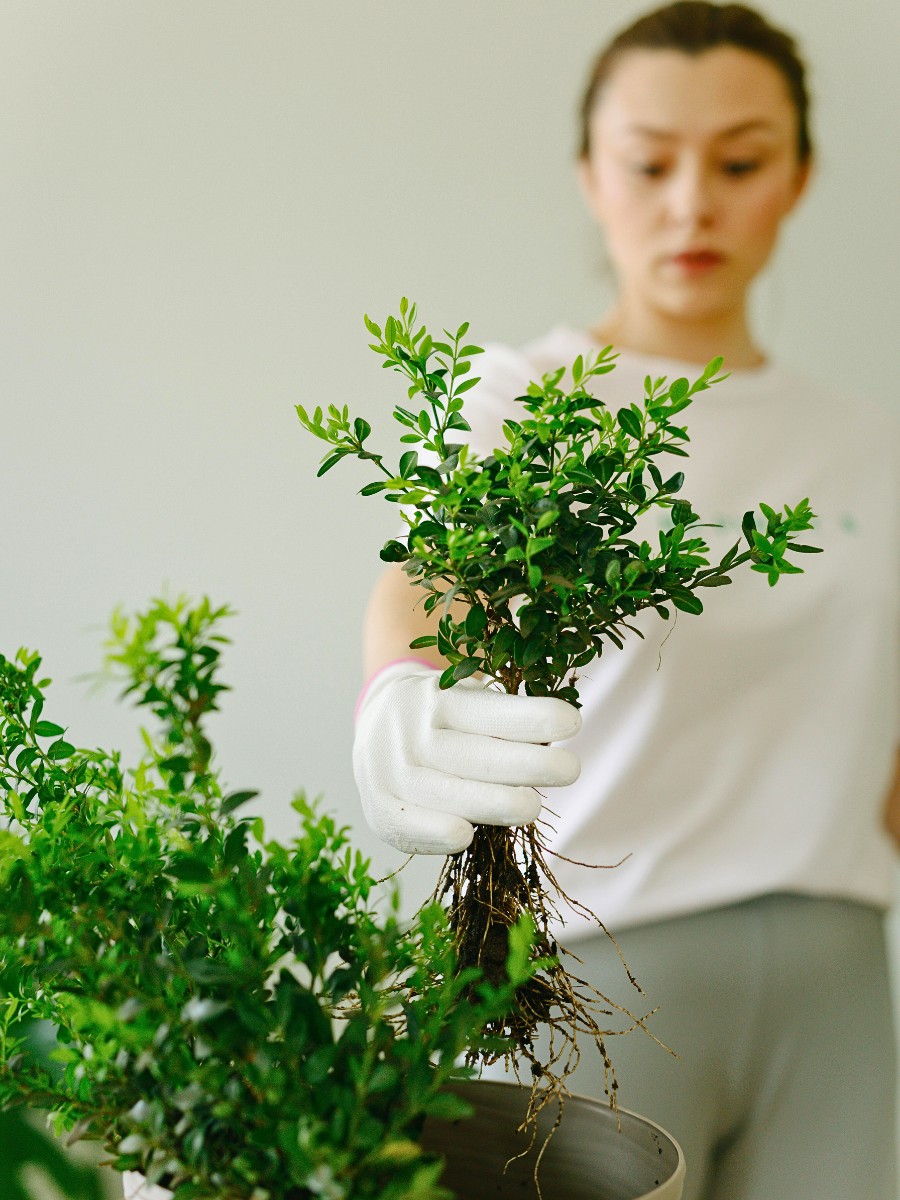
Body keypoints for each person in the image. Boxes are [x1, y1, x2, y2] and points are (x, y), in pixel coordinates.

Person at [352, 4, 900, 1199]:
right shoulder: (528, 399)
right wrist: (400, 688)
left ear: (798, 177)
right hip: (606, 972)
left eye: (740, 161)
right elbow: (426, 579)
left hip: (844, 975)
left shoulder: (871, 451)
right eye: (650, 162)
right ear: (591, 176)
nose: (692, 201)